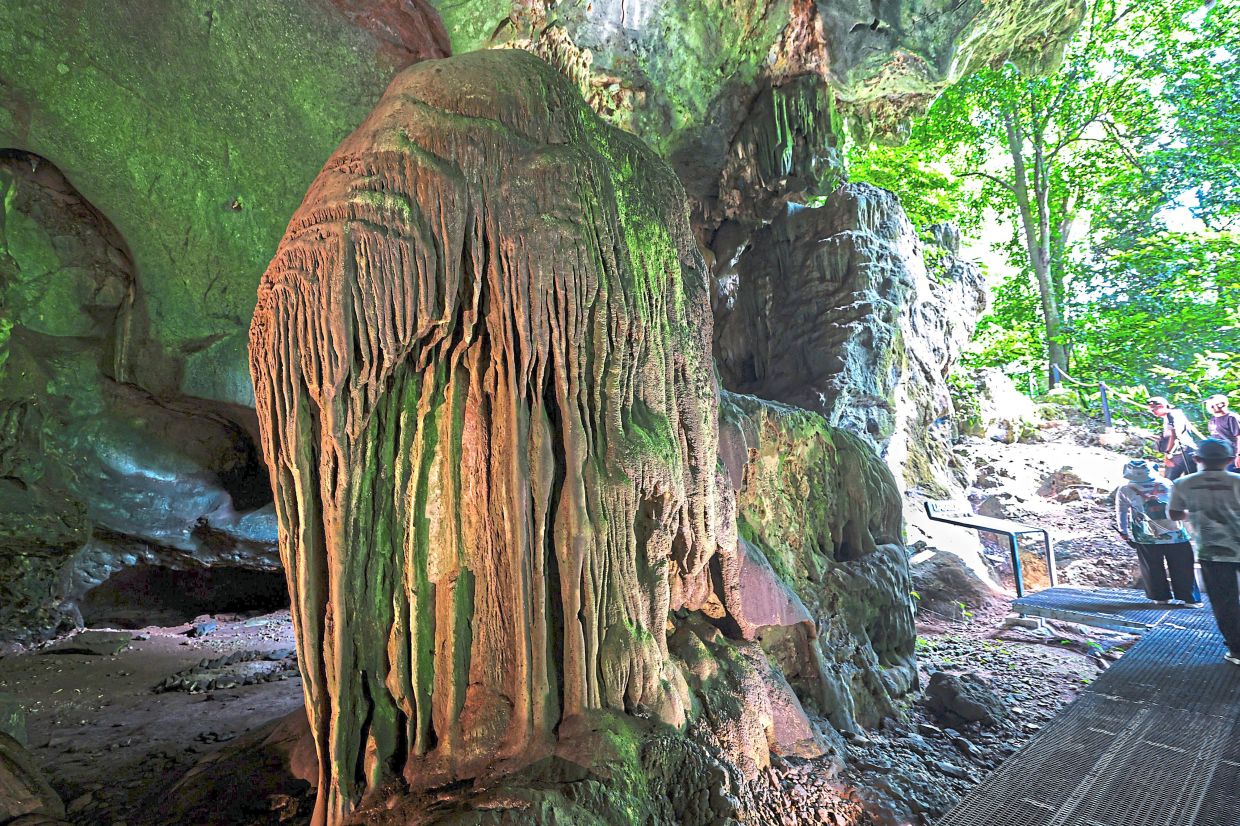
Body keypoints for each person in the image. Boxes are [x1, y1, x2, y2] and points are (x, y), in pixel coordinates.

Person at [1169, 438, 1240, 666]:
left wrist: (1197, 513)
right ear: (1230, 460)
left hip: (1213, 551)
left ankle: (1237, 651)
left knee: (1224, 601)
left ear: (1196, 459)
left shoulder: (1182, 483)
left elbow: (1174, 514)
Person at [1115, 459, 1200, 605]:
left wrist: (1123, 531)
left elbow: (1121, 512)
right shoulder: (1167, 483)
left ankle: (1160, 597)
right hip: (1176, 533)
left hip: (1146, 536)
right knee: (1183, 566)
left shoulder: (1124, 489)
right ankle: (1190, 598)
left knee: (1152, 567)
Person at [1147, 396, 1198, 480]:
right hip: (1184, 452)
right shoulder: (1169, 417)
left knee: (1169, 482)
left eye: (1153, 409)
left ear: (1161, 406)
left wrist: (1168, 454)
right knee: (1190, 480)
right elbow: (1167, 437)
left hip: (1181, 452)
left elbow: (1175, 436)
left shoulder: (1172, 415)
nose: (1153, 412)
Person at [1205, 394, 1240, 473]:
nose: (1210, 407)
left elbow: (1239, 437)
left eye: (1213, 405)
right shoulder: (1213, 419)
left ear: (1221, 404)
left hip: (1232, 456)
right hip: (1221, 457)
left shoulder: (1231, 418)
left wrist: (1239, 455)